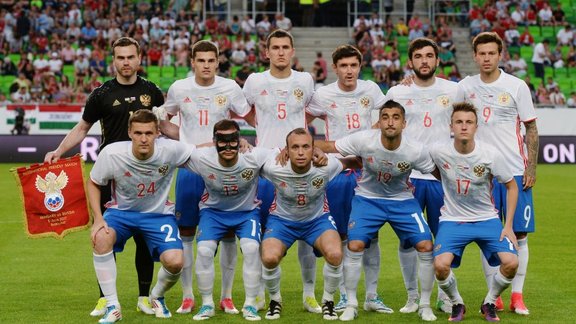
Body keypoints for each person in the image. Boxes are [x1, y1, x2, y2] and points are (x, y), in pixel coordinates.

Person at [44, 37, 164, 317]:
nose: (125, 62)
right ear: (114, 60)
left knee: (145, 237)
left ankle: (144, 297)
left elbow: (165, 125)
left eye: (130, 57)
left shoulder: (152, 91)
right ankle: (104, 299)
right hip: (111, 176)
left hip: (145, 174)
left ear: (139, 58)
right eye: (120, 57)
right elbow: (83, 127)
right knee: (102, 234)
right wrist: (59, 150)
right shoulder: (101, 94)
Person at [315, 101, 437, 321]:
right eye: (386, 117)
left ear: (404, 123)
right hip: (368, 199)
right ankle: (351, 304)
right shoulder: (364, 140)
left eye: (396, 117)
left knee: (426, 246)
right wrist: (310, 147)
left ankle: (424, 304)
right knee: (355, 244)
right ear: (378, 122)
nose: (390, 122)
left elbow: (438, 172)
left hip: (402, 201)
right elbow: (329, 145)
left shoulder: (416, 149)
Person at [157, 40, 252, 315]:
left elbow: (248, 117)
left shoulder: (230, 87)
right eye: (201, 60)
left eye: (211, 60)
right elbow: (167, 120)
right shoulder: (179, 88)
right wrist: (185, 143)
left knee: (229, 232)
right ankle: (188, 296)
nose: (207, 65)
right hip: (189, 170)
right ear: (193, 62)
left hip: (223, 171)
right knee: (186, 232)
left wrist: (241, 142)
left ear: (218, 61)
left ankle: (226, 296)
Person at [457, 32, 538, 315]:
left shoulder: (516, 86)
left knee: (520, 235)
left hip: (515, 171)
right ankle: (496, 294)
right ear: (475, 56)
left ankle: (517, 295)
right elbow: (440, 101)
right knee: (489, 235)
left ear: (500, 55)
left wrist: (531, 166)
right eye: (482, 53)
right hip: (480, 175)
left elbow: (530, 127)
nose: (487, 58)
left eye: (492, 53)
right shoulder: (465, 87)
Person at [242, 29, 321, 315]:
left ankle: (309, 294)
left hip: (301, 167)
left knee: (306, 233)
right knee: (264, 234)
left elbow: (314, 109)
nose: (280, 52)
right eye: (275, 47)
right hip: (265, 168)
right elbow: (242, 111)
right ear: (267, 52)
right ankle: (264, 292)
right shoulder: (255, 81)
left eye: (285, 47)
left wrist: (298, 135)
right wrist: (262, 125)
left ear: (292, 51)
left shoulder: (304, 80)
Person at [306, 44, 389, 314]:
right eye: (344, 66)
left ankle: (372, 295)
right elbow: (300, 118)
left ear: (360, 66)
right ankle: (343, 294)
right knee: (340, 235)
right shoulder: (324, 94)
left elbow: (387, 117)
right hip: (340, 171)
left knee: (371, 237)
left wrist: (367, 142)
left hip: (369, 171)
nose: (349, 70)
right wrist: (325, 147)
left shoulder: (371, 90)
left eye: (353, 65)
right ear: (335, 68)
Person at [88, 109, 190, 323]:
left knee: (175, 262)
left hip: (158, 215)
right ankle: (113, 306)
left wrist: (240, 147)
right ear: (129, 132)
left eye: (149, 133)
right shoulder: (112, 153)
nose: (143, 139)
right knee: (101, 238)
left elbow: (202, 153)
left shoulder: (171, 150)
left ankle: (156, 296)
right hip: (121, 213)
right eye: (138, 133)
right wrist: (98, 218)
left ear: (157, 133)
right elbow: (94, 183)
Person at [385, 37, 460, 316]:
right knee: (408, 240)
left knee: (442, 240)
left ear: (438, 60)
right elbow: (381, 126)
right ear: (410, 62)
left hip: (442, 176)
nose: (424, 61)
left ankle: (443, 295)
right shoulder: (397, 91)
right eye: (418, 56)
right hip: (407, 177)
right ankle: (413, 296)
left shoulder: (454, 90)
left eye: (429, 56)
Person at [430, 102, 519, 322]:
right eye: (459, 122)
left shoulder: (490, 154)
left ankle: (489, 302)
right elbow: (432, 170)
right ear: (451, 126)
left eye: (469, 122)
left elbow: (512, 186)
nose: (463, 127)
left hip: (487, 219)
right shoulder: (438, 151)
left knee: (511, 263)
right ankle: (457, 303)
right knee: (440, 266)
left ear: (476, 127)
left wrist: (508, 226)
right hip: (452, 220)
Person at [260, 128, 354, 320]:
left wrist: (323, 153)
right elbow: (248, 160)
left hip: (317, 221)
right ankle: (275, 301)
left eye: (306, 147)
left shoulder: (328, 166)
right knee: (269, 258)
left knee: (336, 254)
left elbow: (354, 161)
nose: (301, 152)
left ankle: (328, 301)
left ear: (313, 149)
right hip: (282, 221)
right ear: (286, 150)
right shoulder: (273, 167)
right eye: (295, 147)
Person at [184, 120, 269, 321]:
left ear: (240, 140)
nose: (229, 146)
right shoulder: (202, 158)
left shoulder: (255, 157)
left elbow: (286, 155)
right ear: (214, 141)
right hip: (213, 212)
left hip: (247, 212)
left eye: (233, 140)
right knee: (204, 251)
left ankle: (250, 304)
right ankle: (207, 305)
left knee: (250, 248)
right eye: (222, 140)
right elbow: (170, 153)